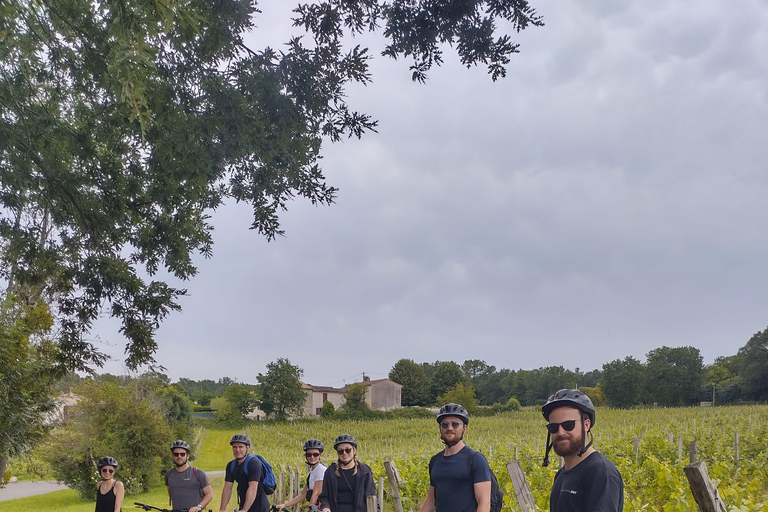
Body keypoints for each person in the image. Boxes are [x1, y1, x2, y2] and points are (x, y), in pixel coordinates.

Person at [542, 389, 624, 512]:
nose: (560, 432)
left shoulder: (600, 473)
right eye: (554, 427)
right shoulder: (561, 475)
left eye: (568, 425)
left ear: (586, 425)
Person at [419, 404, 491, 512]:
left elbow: (484, 503)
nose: (450, 428)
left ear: (464, 428)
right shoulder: (435, 461)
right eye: (445, 424)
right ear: (440, 428)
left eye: (455, 424)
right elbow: (430, 500)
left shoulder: (475, 459)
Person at [318, 434, 378, 512]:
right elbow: (324, 496)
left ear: (354, 450)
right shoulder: (330, 472)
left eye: (348, 450)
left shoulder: (364, 471)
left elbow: (371, 497)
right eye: (340, 451)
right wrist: (326, 507)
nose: (344, 453)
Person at [219, 434, 270, 512]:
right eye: (234, 447)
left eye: (240, 447)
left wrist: (245, 510)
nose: (237, 450)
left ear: (247, 447)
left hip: (260, 506)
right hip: (243, 504)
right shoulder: (231, 465)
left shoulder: (253, 463)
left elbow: (253, 487)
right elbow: (227, 487)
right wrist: (222, 509)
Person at [276, 439, 327, 510]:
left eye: (315, 454)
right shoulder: (311, 473)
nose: (312, 457)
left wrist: (310, 509)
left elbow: (316, 494)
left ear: (320, 455)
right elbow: (302, 495)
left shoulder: (321, 470)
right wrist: (284, 505)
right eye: (309, 454)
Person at [166, 439, 214, 512]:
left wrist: (199, 506)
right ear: (172, 456)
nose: (179, 456)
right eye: (176, 454)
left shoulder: (198, 473)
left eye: (182, 454)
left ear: (187, 456)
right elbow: (171, 493)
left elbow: (209, 494)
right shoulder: (169, 474)